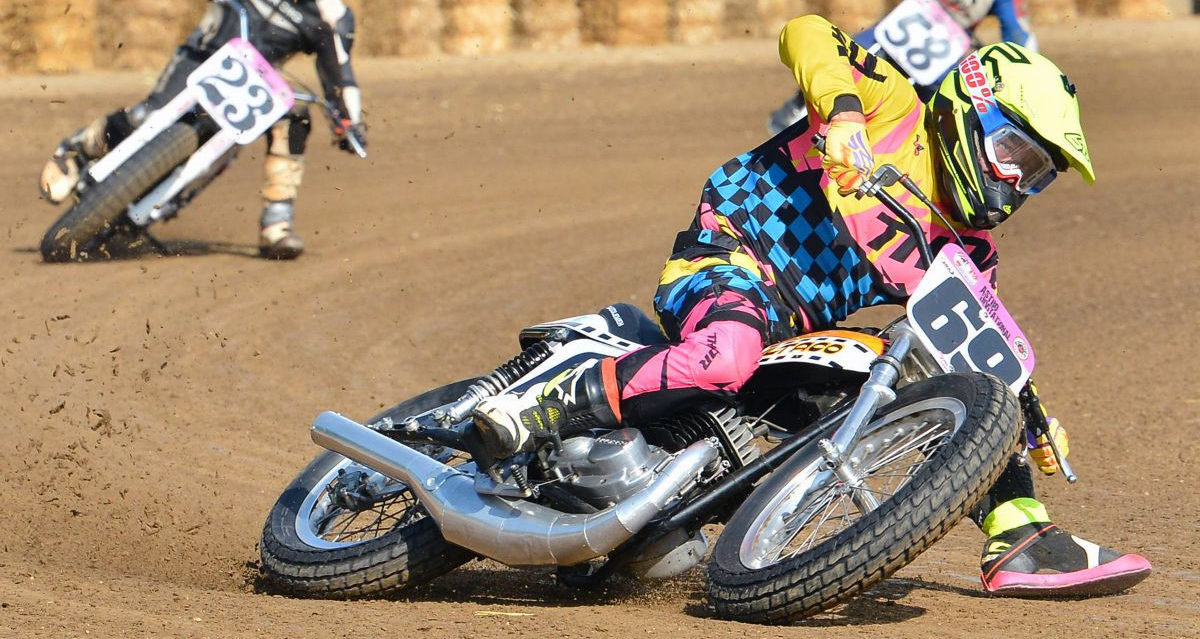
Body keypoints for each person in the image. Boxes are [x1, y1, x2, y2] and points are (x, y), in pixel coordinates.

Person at [473, 15, 1152, 597]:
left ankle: (1020, 538)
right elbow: (806, 33)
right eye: (1014, 155)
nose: (1015, 186)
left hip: (796, 332)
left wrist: (1024, 413)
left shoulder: (968, 251)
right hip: (728, 254)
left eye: (1033, 177)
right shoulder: (891, 109)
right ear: (971, 110)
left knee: (895, 397)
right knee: (723, 356)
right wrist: (846, 114)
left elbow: (969, 349)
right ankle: (547, 402)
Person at [38, 0, 366, 260]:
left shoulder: (334, 15)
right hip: (202, 58)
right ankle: (79, 150)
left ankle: (277, 219)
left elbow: (340, 73)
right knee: (146, 116)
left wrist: (349, 120)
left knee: (296, 119)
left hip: (254, 86)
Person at [768, 0, 1037, 135]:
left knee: (852, 54)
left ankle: (799, 109)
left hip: (924, 36)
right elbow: (1019, 36)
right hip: (934, 45)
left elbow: (1018, 34)